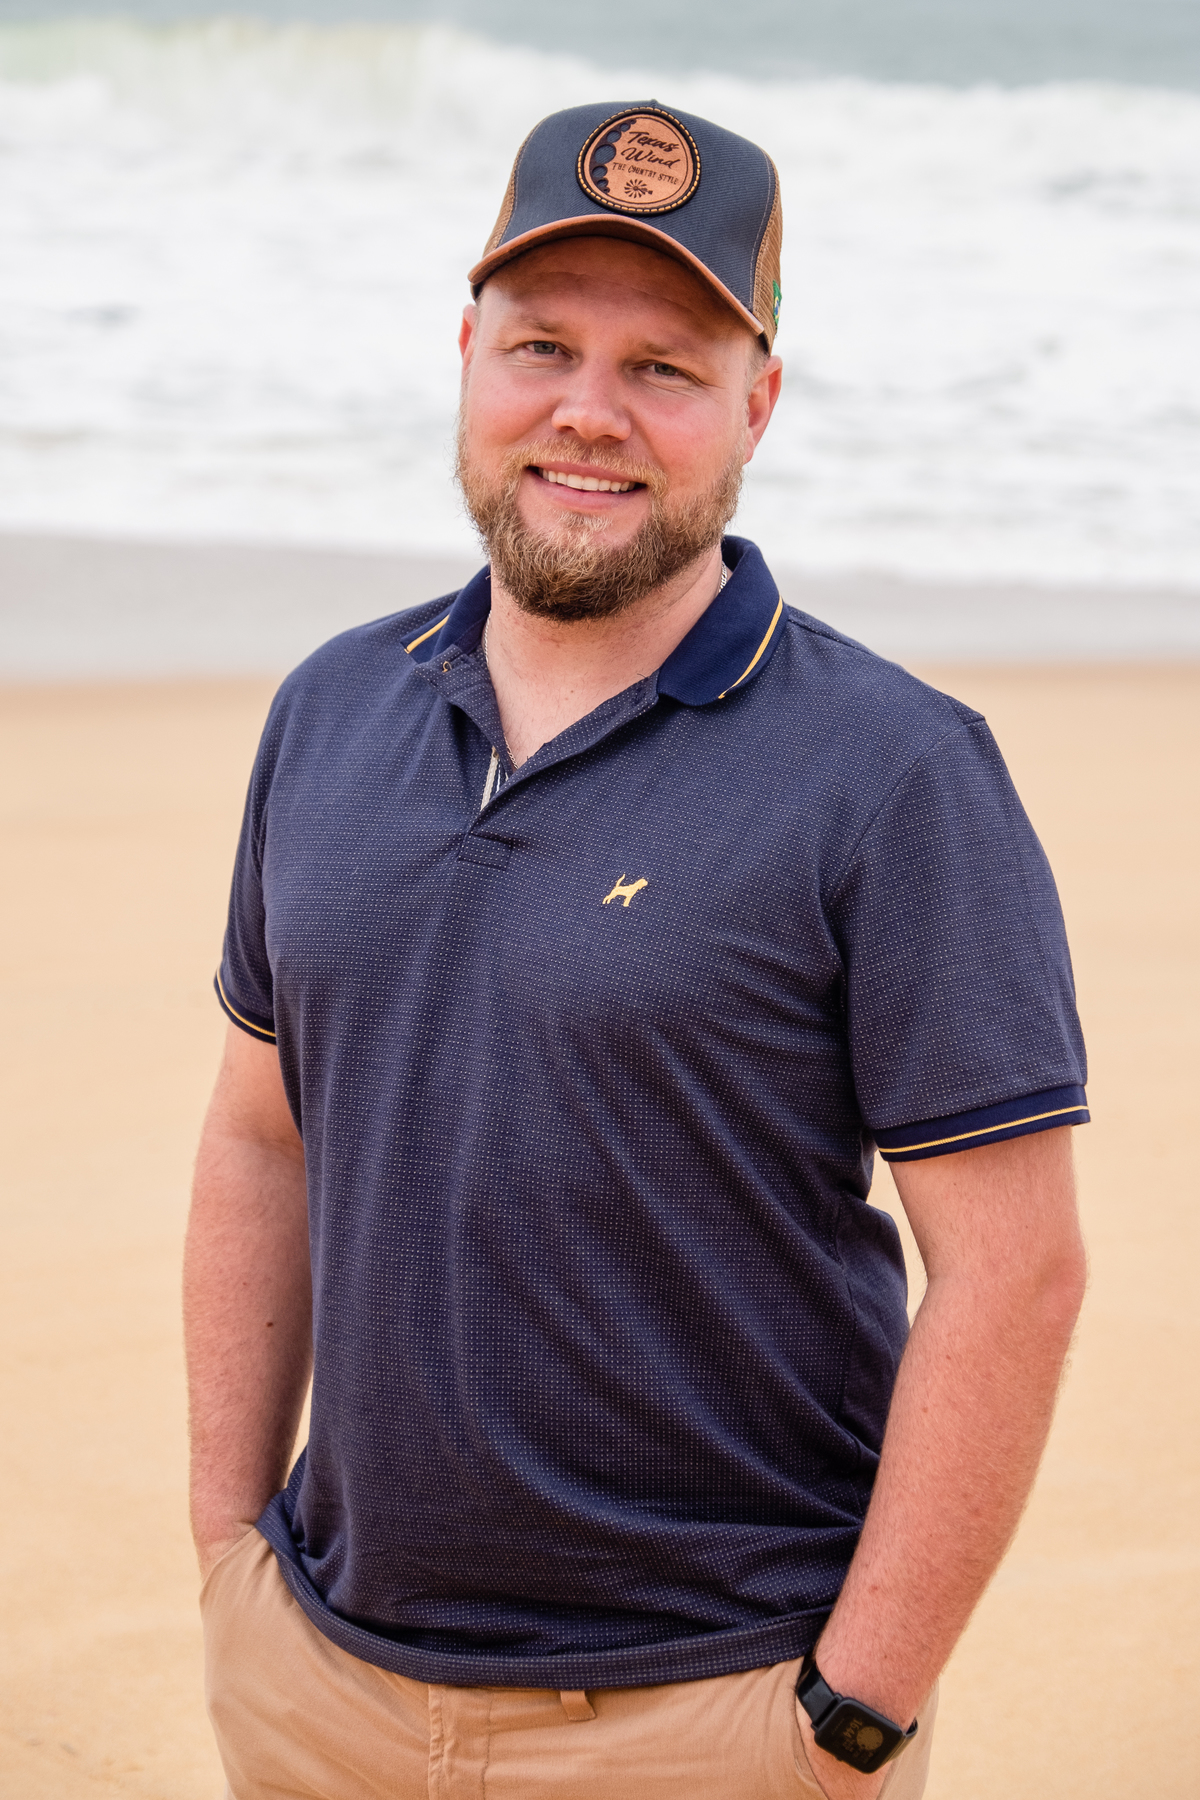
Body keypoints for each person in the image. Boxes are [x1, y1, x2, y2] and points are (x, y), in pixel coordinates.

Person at [184, 102, 1089, 1800]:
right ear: (466, 354)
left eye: (666, 366)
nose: (587, 414)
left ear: (758, 401)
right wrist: (227, 1549)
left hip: (715, 1713)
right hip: (321, 1687)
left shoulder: (894, 773)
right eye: (541, 347)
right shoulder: (331, 710)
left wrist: (857, 1712)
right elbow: (258, 1133)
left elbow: (1015, 1270)